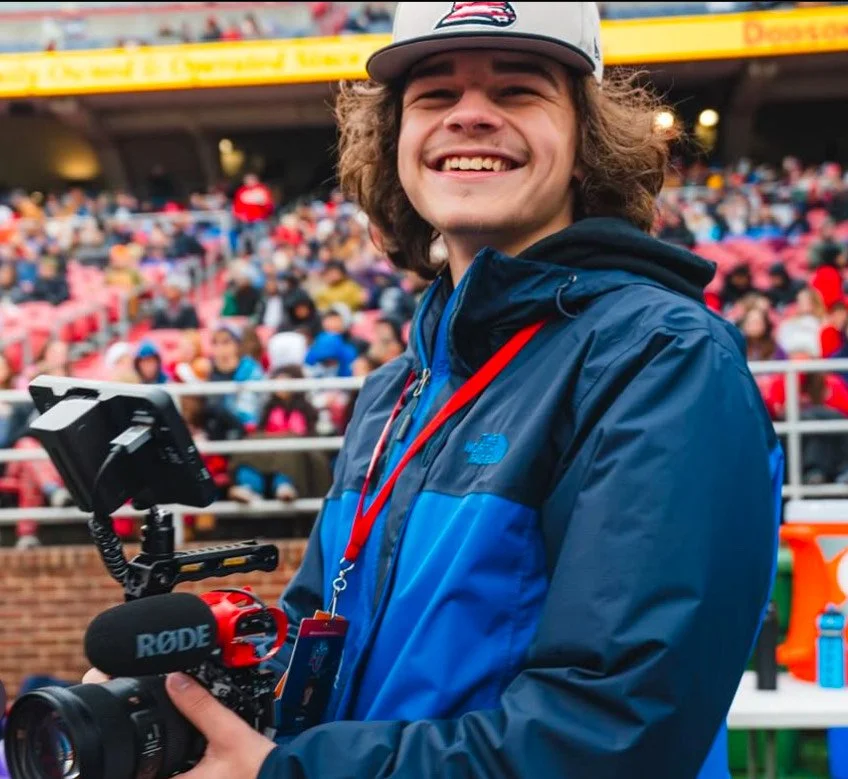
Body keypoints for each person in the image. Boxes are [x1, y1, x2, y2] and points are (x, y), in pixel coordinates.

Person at [86, 4, 782, 778]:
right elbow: (326, 642)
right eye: (435, 96)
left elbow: (612, 734)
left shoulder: (663, 358)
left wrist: (293, 773)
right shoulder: (396, 387)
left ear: (586, 144)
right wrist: (189, 693)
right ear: (397, 145)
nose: (471, 117)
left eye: (518, 91)